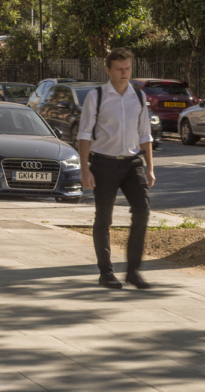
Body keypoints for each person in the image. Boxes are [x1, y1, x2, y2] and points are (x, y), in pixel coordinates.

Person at [78, 48, 156, 289]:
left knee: (142, 212)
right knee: (104, 219)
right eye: (120, 69)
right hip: (104, 163)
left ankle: (133, 271)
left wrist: (150, 167)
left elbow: (145, 134)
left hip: (133, 162)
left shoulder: (138, 96)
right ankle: (106, 273)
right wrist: (85, 170)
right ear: (108, 70)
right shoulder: (97, 96)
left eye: (128, 68)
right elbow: (84, 135)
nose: (125, 73)